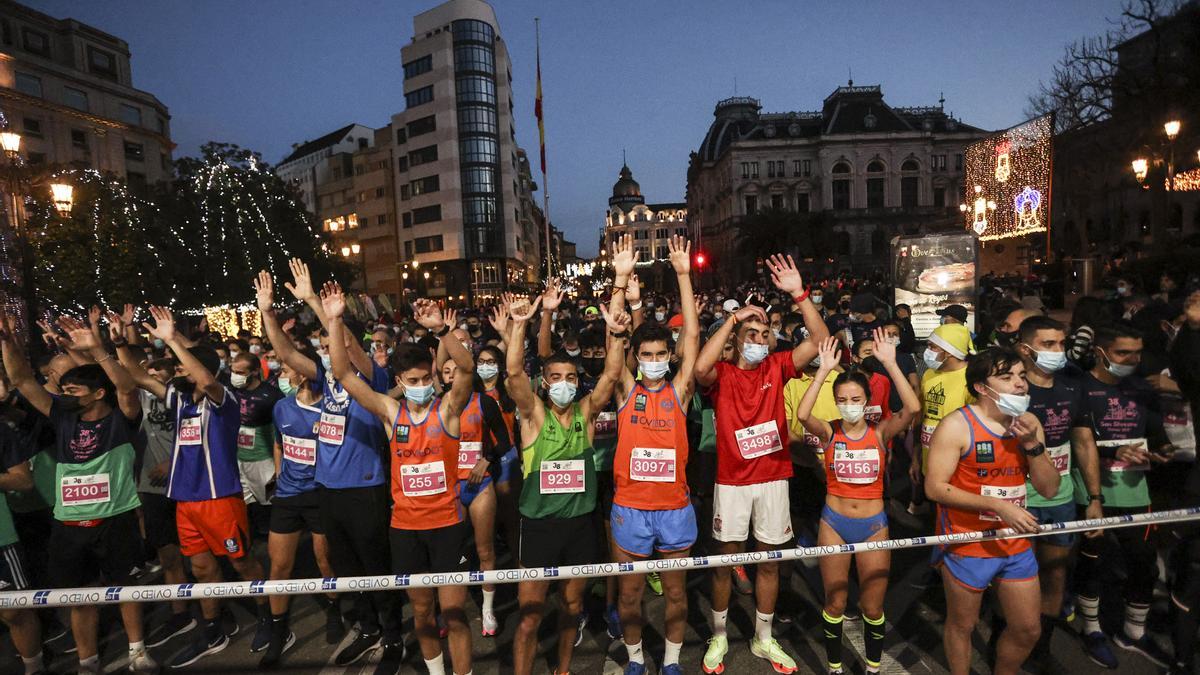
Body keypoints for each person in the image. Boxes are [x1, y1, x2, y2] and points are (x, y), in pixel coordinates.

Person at [324, 284, 476, 675]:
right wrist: (335, 319)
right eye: (414, 380)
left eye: (427, 378)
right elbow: (342, 371)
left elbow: (468, 369)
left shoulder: (448, 411)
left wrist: (441, 331)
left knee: (454, 613)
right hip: (405, 528)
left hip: (446, 525)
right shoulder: (391, 412)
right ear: (401, 380)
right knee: (423, 611)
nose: (423, 385)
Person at [259, 264, 400, 668]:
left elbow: (349, 344)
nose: (328, 349)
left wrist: (318, 305)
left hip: (365, 487)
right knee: (348, 571)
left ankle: (392, 638)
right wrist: (268, 313)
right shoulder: (324, 378)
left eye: (333, 341)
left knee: (376, 569)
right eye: (323, 344)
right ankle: (368, 629)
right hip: (328, 489)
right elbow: (285, 353)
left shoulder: (373, 377)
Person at [694, 253, 829, 674]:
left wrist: (800, 294)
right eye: (750, 333)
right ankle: (718, 637)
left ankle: (764, 638)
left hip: (773, 478)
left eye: (764, 332)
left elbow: (820, 340)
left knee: (769, 560)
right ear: (735, 340)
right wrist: (734, 320)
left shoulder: (778, 365)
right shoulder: (723, 375)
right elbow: (699, 368)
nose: (758, 338)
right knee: (723, 561)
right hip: (732, 482)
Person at [2, 314, 158, 674]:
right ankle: (88, 663)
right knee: (78, 597)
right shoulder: (62, 416)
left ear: (98, 393)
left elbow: (128, 388)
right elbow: (22, 380)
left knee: (125, 590)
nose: (65, 394)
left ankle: (137, 652)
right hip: (69, 524)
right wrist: (8, 340)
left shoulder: (121, 417)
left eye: (74, 390)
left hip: (115, 519)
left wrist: (98, 350)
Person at [129, 306, 270, 668]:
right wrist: (107, 344)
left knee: (241, 563)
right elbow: (135, 377)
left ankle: (271, 619)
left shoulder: (223, 400)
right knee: (203, 569)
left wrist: (174, 339)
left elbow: (206, 381)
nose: (175, 371)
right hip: (185, 499)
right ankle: (212, 630)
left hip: (219, 497)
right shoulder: (177, 399)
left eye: (180, 366)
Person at [506, 288, 626, 675]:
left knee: (571, 608)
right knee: (529, 617)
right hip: (540, 527)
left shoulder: (586, 413)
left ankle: (563, 670)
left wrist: (617, 334)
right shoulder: (534, 415)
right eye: (555, 377)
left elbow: (610, 374)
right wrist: (520, 325)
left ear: (578, 381)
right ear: (544, 382)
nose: (563, 383)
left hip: (578, 527)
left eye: (570, 377)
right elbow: (512, 373)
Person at [925, 347, 1060, 675]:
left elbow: (1049, 488)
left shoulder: (1029, 424)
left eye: (1022, 376)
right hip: (966, 541)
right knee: (963, 625)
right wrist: (997, 505)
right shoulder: (957, 426)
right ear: (981, 388)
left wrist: (1033, 447)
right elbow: (935, 488)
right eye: (1006, 377)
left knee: (1028, 629)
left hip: (1014, 542)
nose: (1020, 384)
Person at [795, 330, 920, 674]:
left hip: (874, 526)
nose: (849, 404)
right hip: (833, 523)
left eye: (855, 398)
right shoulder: (830, 431)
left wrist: (892, 364)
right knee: (834, 602)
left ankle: (873, 666)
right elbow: (804, 414)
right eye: (843, 398)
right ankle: (835, 666)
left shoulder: (880, 432)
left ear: (867, 400)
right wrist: (822, 372)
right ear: (836, 401)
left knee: (872, 606)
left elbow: (913, 408)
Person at [609, 235, 699, 675]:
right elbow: (614, 345)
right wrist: (621, 279)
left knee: (677, 594)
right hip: (630, 510)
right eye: (646, 355)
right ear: (637, 357)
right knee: (629, 596)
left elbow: (694, 335)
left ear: (669, 356)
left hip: (674, 509)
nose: (654, 360)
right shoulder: (627, 389)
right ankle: (635, 659)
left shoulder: (680, 390)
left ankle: (672, 661)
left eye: (661, 354)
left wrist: (684, 274)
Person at [1070, 322, 1174, 669]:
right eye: (1122, 352)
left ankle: (1133, 631)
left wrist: (1162, 451)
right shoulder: (1080, 388)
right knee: (1092, 563)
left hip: (1135, 492)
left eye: (1137, 352)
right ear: (1100, 353)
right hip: (1092, 492)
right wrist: (1115, 452)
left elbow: (1157, 435)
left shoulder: (1142, 389)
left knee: (1144, 564)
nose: (1132, 359)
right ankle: (1092, 629)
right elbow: (1076, 446)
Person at [1013, 316, 1098, 669]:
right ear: (1025, 348)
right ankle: (1008, 639)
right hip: (1016, 498)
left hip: (1060, 499)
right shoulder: (1009, 388)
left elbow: (1083, 440)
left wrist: (1094, 498)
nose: (1057, 352)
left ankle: (1041, 649)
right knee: (1016, 578)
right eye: (1048, 345)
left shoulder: (1072, 385)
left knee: (1055, 574)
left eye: (1061, 344)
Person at [257, 352, 340, 668]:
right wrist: (280, 473)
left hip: (320, 495)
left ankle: (334, 609)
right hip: (288, 495)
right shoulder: (281, 407)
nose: (281, 373)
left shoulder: (330, 408)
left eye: (287, 368)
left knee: (324, 560)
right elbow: (279, 442)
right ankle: (278, 630)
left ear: (304, 374)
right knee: (279, 565)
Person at [438, 335, 508, 638]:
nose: (453, 377)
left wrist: (487, 460)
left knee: (485, 549)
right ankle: (448, 611)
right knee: (449, 553)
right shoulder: (436, 405)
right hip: (448, 489)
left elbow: (504, 441)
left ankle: (487, 608)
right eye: (446, 372)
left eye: (458, 371)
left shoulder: (484, 403)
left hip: (479, 485)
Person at [911, 323, 974, 514]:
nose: (927, 351)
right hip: (928, 461)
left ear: (950, 351)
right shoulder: (929, 374)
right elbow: (921, 417)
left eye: (932, 347)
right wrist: (916, 458)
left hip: (959, 470)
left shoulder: (970, 378)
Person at [228, 349, 284, 537]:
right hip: (239, 458)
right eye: (233, 371)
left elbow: (282, 429)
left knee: (270, 502)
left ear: (254, 372)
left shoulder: (272, 395)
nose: (235, 376)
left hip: (264, 459)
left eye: (240, 372)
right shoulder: (232, 392)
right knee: (247, 505)